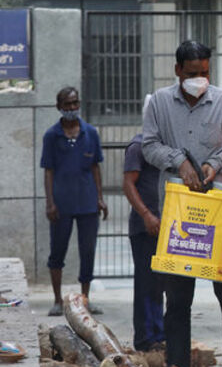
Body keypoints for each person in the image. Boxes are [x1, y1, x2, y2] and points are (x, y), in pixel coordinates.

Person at [142, 40, 222, 367]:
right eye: (192, 73)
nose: (199, 79)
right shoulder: (158, 103)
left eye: (204, 72)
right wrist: (178, 162)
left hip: (220, 217)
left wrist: (214, 165)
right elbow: (149, 145)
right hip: (179, 218)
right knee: (176, 303)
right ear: (177, 71)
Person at [41, 86, 108, 316]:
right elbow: (48, 171)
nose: (72, 108)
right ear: (59, 107)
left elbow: (95, 167)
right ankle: (58, 300)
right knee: (57, 251)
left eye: (75, 103)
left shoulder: (90, 133)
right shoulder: (52, 136)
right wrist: (50, 202)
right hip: (62, 204)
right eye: (67, 104)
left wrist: (100, 198)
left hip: (87, 203)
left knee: (88, 250)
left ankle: (85, 299)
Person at [122, 94, 165, 352]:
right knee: (147, 284)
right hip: (144, 228)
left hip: (166, 226)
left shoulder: (164, 146)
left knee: (162, 284)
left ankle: (160, 335)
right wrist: (147, 215)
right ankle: (145, 339)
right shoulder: (138, 146)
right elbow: (128, 185)